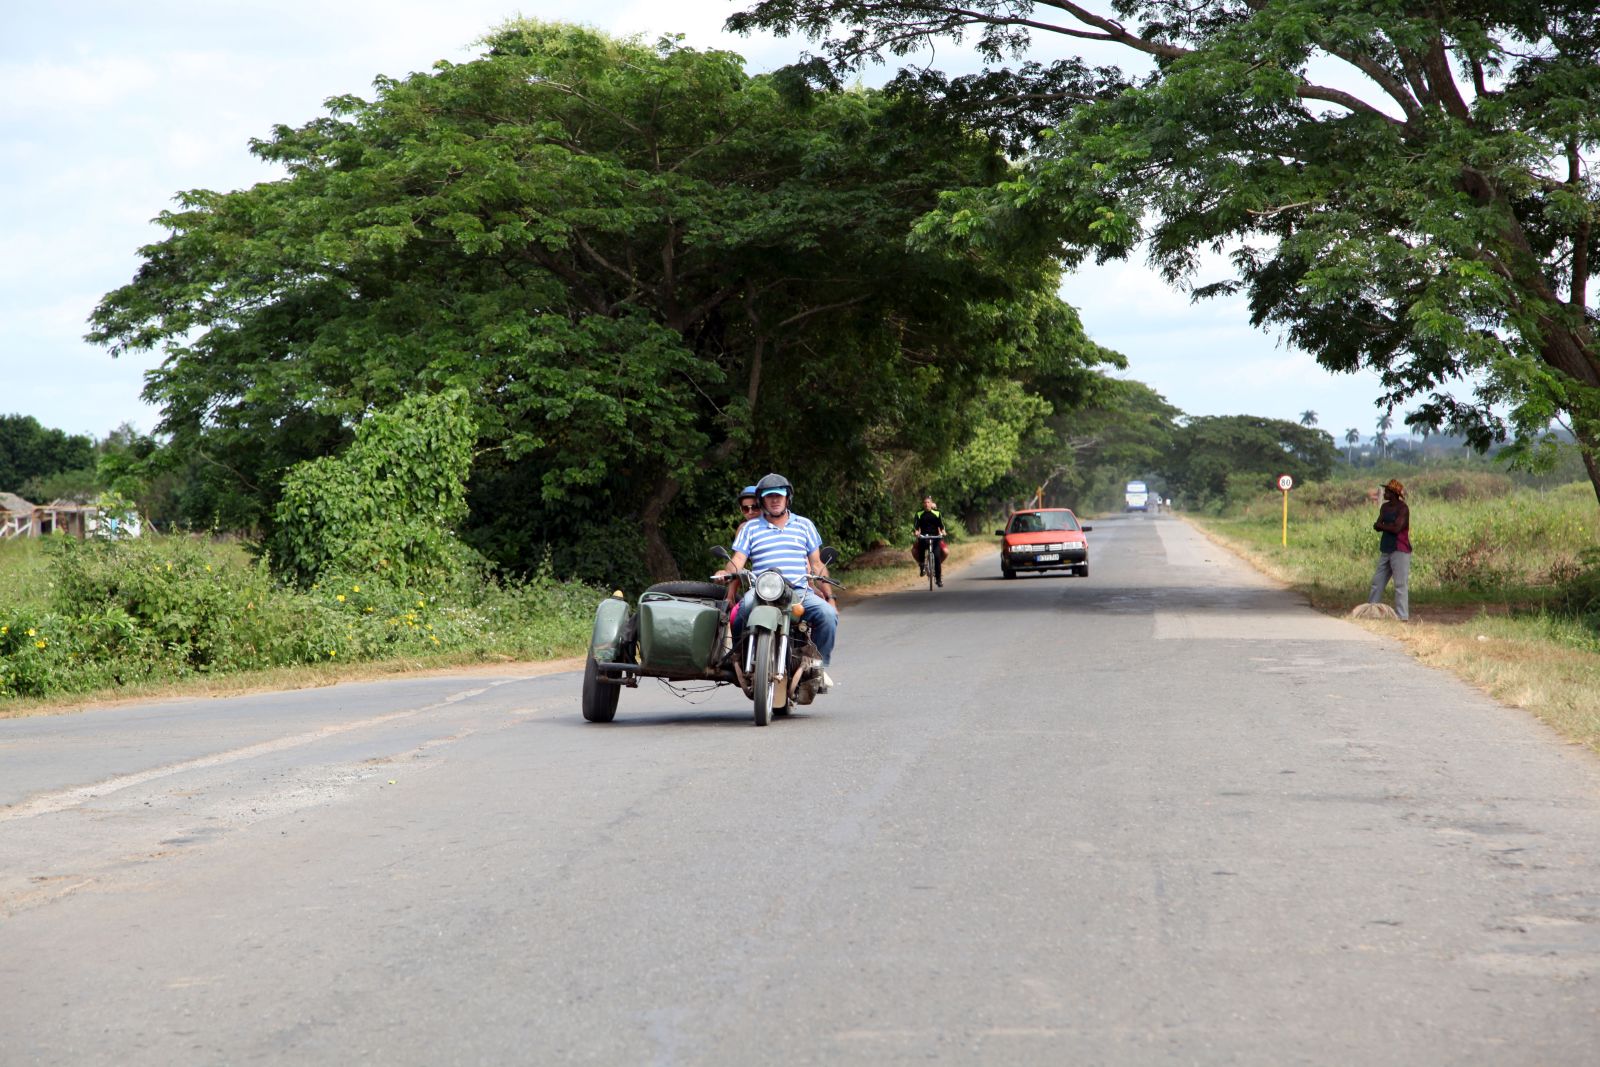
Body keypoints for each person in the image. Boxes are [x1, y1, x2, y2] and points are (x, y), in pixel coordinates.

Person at [715, 473, 838, 686]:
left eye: (779, 496)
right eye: (769, 496)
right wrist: (726, 572)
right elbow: (738, 560)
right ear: (762, 500)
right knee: (740, 614)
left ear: (787, 498)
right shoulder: (750, 528)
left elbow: (817, 564)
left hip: (798, 592)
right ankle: (740, 659)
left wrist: (830, 597)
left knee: (827, 615)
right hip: (761, 591)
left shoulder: (805, 525)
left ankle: (817, 666)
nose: (774, 500)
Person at [1369, 478, 1412, 620]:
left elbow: (1396, 528)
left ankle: (1402, 616)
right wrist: (1386, 526)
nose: (1385, 493)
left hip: (1400, 549)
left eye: (1387, 491)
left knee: (1400, 584)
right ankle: (1371, 611)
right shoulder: (1385, 507)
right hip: (1386, 548)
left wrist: (1382, 526)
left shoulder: (1403, 508)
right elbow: (1378, 525)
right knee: (1377, 581)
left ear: (1394, 493)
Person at [911, 494, 948, 586]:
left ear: (931, 504)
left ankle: (938, 579)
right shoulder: (919, 514)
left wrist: (943, 531)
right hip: (924, 536)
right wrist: (916, 532)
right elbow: (915, 526)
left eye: (928, 502)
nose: (926, 504)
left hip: (935, 537)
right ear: (923, 504)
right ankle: (922, 565)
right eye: (925, 502)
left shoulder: (937, 513)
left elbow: (941, 525)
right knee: (921, 548)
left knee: (937, 557)